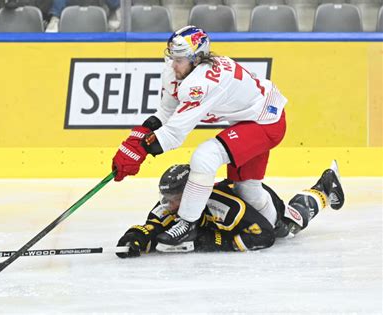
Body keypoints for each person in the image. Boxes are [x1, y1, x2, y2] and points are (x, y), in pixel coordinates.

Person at [112, 25, 288, 247]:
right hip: (248, 118)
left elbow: (174, 134)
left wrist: (139, 151)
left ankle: (187, 224)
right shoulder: (177, 70)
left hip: (266, 122)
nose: (173, 64)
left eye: (180, 60)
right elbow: (166, 113)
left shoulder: (202, 83)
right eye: (172, 57)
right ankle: (283, 224)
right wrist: (135, 140)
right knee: (248, 191)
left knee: (205, 157)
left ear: (196, 59)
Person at [116, 160, 345, 258]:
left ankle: (325, 188)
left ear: (191, 193)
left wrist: (213, 241)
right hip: (235, 204)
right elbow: (152, 226)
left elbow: (264, 236)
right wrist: (134, 240)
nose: (167, 204)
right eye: (164, 197)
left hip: (259, 206)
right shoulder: (172, 205)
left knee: (289, 227)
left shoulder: (226, 207)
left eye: (173, 198)